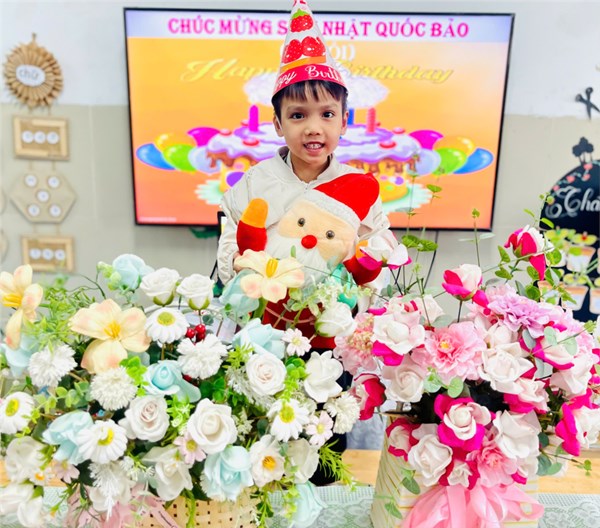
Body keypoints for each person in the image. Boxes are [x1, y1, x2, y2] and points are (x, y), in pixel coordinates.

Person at [216, 0, 397, 484]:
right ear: (277, 124)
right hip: (264, 334)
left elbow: (381, 251)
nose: (313, 127)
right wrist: (250, 270)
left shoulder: (359, 188)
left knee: (324, 441)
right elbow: (229, 253)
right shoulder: (254, 183)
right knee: (261, 440)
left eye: (326, 113)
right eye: (298, 115)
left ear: (344, 121)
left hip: (330, 337)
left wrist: (358, 285)